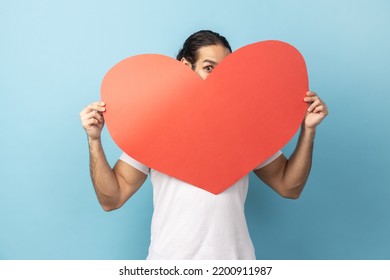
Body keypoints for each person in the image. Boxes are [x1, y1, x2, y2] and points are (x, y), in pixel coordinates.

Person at [80, 30, 328, 260]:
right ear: (186, 67)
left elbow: (289, 187)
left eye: (226, 72)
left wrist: (308, 130)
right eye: (210, 68)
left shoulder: (247, 128)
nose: (219, 79)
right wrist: (94, 140)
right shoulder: (154, 128)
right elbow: (111, 199)